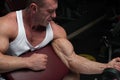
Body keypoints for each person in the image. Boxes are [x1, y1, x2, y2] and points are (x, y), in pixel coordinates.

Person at [0, 0, 120, 80]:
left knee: (73, 75)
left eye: (55, 10)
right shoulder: (7, 25)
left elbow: (72, 59)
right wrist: (27, 62)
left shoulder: (56, 30)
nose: (55, 16)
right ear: (34, 8)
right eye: (50, 11)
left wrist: (106, 67)